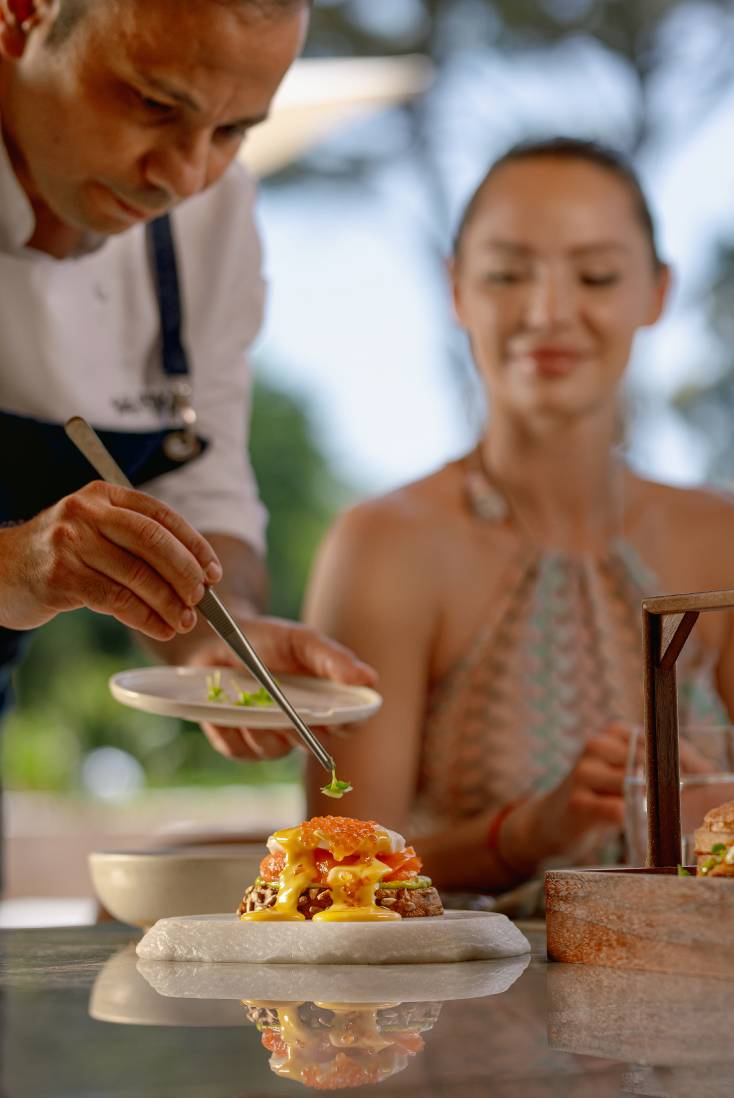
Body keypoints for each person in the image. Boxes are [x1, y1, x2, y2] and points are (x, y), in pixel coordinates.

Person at [303, 137, 734, 894]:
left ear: (658, 293)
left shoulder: (719, 538)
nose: (548, 312)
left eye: (596, 275)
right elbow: (334, 876)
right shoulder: (386, 547)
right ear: (457, 290)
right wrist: (529, 832)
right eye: (507, 274)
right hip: (457, 1007)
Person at [0, 0, 375, 768]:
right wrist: (16, 568)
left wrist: (219, 636)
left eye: (235, 131)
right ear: (21, 15)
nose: (188, 174)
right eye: (154, 104)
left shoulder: (213, 218)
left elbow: (205, 494)